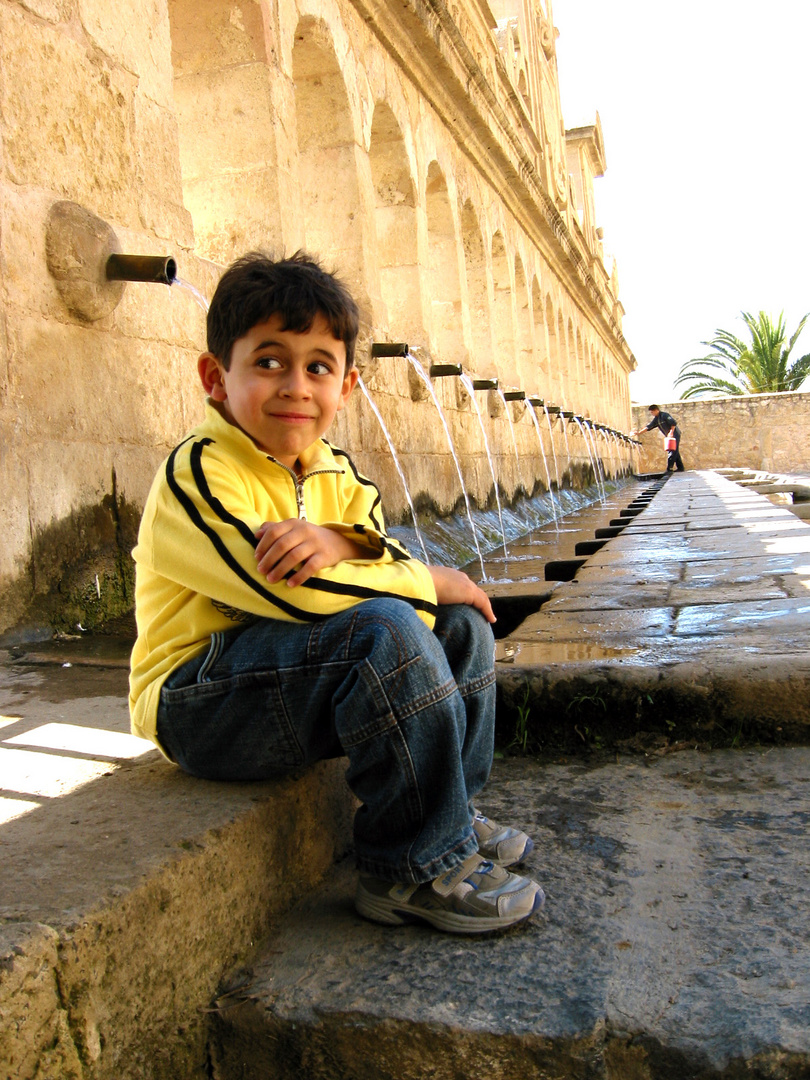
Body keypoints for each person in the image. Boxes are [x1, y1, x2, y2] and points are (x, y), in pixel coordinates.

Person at [129, 251, 544, 934]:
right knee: (388, 627)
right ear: (215, 377)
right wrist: (429, 578)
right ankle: (409, 867)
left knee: (460, 627)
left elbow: (381, 553)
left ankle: (450, 815)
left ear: (345, 387)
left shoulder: (336, 472)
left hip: (287, 681)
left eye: (317, 366)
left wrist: (344, 539)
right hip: (197, 700)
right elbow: (300, 595)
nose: (295, 385)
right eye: (269, 361)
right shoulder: (199, 471)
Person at [631, 404, 685, 473]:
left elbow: (673, 423)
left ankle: (669, 469)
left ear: (656, 410)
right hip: (669, 436)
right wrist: (639, 433)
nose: (652, 414)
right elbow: (649, 427)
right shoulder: (657, 419)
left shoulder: (665, 415)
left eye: (652, 412)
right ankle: (680, 467)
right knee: (674, 450)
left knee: (672, 451)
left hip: (675, 434)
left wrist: (671, 432)